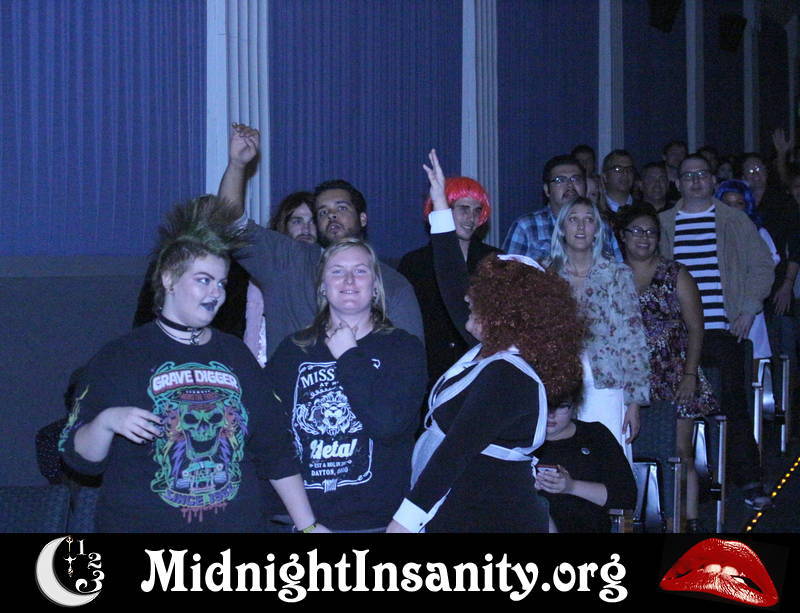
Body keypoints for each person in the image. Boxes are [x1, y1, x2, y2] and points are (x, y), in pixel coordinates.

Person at [59, 196, 328, 533]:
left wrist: (308, 526)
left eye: (222, 283)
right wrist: (107, 422)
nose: (216, 293)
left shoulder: (236, 355)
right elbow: (78, 458)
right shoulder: (121, 356)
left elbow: (275, 450)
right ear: (169, 279)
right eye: (203, 279)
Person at [387, 150, 584, 533]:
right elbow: (450, 283)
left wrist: (402, 525)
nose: (466, 298)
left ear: (505, 311)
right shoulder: (495, 351)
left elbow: (453, 453)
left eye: (478, 296)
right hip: (471, 509)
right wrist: (440, 208)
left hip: (489, 517)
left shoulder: (510, 375)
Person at [216, 124, 424, 360]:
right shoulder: (289, 261)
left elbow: (411, 361)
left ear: (363, 218)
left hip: (365, 383)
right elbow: (230, 225)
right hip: (288, 383)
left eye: (341, 208)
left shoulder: (392, 284)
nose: (332, 215)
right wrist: (237, 164)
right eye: (323, 212)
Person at [265, 238, 426, 532]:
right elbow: (271, 440)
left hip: (378, 522)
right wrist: (306, 523)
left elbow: (388, 424)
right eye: (337, 271)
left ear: (375, 286)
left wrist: (349, 355)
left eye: (360, 271)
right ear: (322, 286)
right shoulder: (292, 351)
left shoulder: (403, 348)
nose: (349, 280)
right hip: (305, 522)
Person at [659, 154, 775, 510]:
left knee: (731, 406)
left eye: (702, 174)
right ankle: (681, 487)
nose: (695, 181)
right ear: (677, 182)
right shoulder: (662, 223)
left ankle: (749, 479)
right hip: (676, 337)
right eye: (688, 175)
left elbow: (763, 266)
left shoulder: (734, 220)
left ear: (713, 180)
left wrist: (748, 308)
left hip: (721, 331)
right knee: (672, 409)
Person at [614, 202, 717, 531]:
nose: (644, 237)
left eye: (651, 232)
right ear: (622, 236)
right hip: (628, 378)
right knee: (628, 452)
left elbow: (696, 328)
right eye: (636, 231)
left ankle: (685, 523)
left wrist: (690, 374)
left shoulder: (676, 274)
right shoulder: (612, 275)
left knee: (680, 452)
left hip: (675, 373)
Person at [546, 197, 650, 463]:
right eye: (573, 219)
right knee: (562, 459)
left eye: (588, 220)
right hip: (559, 383)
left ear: (597, 230)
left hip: (607, 383)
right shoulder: (547, 275)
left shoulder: (617, 275)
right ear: (562, 228)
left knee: (608, 460)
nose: (581, 227)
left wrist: (634, 401)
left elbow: (633, 338)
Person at [399, 175, 500, 393]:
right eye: (464, 209)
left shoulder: (495, 260)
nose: (471, 218)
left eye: (477, 210)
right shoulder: (414, 263)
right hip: (430, 369)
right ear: (443, 210)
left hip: (480, 367)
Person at [534, 399, 637, 533]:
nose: (551, 414)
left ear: (574, 405)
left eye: (561, 406)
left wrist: (571, 486)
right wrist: (526, 489)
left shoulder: (595, 435)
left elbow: (626, 496)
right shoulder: (516, 440)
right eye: (545, 404)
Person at [502, 154, 621, 263]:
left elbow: (618, 273)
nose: (570, 185)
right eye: (560, 180)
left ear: (585, 187)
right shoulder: (526, 227)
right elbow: (506, 275)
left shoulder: (601, 225)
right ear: (547, 190)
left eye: (575, 179)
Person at [244, 191, 317, 366]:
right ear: (284, 225)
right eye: (297, 221)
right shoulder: (260, 266)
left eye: (313, 221)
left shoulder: (331, 270)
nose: (306, 229)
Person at [715, 180, 779, 362]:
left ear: (747, 206)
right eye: (728, 203)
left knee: (754, 358)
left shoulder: (758, 232)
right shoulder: (712, 234)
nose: (733, 208)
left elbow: (766, 268)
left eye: (739, 203)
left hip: (750, 309)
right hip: (719, 310)